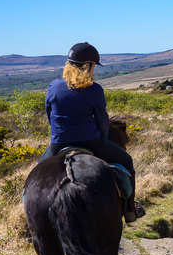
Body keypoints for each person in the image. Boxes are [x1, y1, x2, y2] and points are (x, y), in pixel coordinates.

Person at [38, 42, 140, 223]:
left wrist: (57, 134)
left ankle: (35, 217)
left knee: (37, 175)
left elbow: (49, 113)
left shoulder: (54, 86)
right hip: (91, 141)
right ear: (88, 66)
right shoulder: (94, 89)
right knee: (126, 161)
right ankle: (130, 210)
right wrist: (102, 139)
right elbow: (101, 120)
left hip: (58, 142)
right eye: (93, 66)